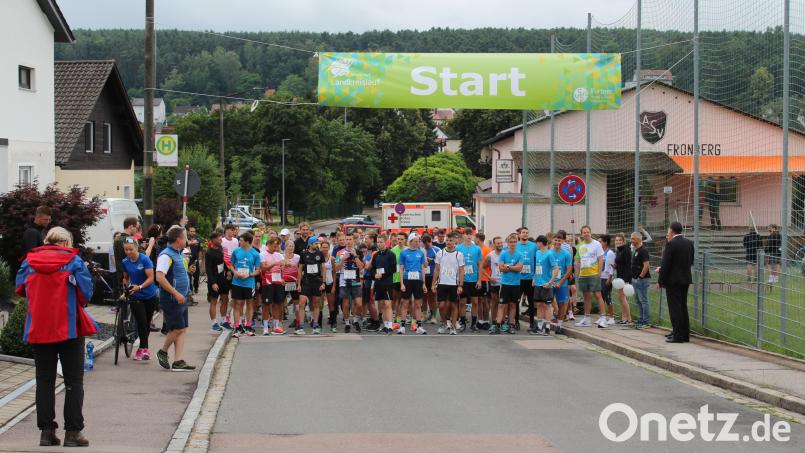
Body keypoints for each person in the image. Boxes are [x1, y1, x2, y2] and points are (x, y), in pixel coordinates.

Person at [16, 227, 96, 447]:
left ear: (47, 241)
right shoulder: (74, 261)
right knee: (73, 381)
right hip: (69, 328)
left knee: (44, 380)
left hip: (39, 328)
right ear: (66, 242)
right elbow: (86, 294)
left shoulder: (29, 261)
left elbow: (20, 289)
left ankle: (46, 431)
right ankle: (73, 433)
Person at [155, 226, 196, 372]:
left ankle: (178, 361)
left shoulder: (177, 253)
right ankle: (163, 351)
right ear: (178, 239)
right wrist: (176, 293)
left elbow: (177, 274)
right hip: (172, 299)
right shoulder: (166, 255)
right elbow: (159, 277)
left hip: (181, 298)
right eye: (185, 237)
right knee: (177, 328)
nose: (187, 240)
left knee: (182, 328)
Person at [121, 237, 158, 361]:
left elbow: (151, 278)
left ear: (136, 247)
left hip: (149, 294)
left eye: (130, 249)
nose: (128, 252)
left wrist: (140, 287)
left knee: (146, 323)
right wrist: (126, 288)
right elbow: (125, 277)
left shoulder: (145, 259)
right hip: (135, 295)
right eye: (126, 250)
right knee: (141, 322)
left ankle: (141, 348)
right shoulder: (125, 262)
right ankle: (145, 349)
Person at [658, 222, 694, 343]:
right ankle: (684, 334)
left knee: (675, 308)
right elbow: (691, 261)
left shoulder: (671, 244)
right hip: (685, 278)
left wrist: (660, 280)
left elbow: (666, 264)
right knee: (683, 306)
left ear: (672, 231)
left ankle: (678, 335)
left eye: (668, 231)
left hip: (673, 280)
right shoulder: (689, 243)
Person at [574, 225, 609, 328]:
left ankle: (603, 318)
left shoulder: (597, 244)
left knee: (598, 295)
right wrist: (577, 273)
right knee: (586, 297)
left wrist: (598, 274)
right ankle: (587, 318)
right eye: (584, 232)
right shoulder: (579, 246)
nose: (586, 234)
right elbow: (577, 261)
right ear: (581, 234)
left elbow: (600, 259)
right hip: (583, 275)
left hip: (594, 274)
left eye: (588, 232)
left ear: (590, 232)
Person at [228, 231, 261, 337]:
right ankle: (237, 327)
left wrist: (249, 275)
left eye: (241, 240)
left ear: (247, 241)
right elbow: (231, 265)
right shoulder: (236, 251)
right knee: (237, 304)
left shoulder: (255, 253)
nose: (239, 242)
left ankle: (248, 325)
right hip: (237, 282)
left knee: (250, 304)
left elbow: (258, 270)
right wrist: (235, 272)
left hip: (249, 283)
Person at [432, 232, 464, 335]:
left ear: (455, 242)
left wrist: (460, 285)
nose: (449, 242)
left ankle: (453, 327)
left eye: (451, 241)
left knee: (454, 305)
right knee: (441, 306)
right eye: (447, 240)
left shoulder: (459, 255)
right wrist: (433, 284)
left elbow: (461, 270)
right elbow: (436, 270)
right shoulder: (440, 253)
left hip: (454, 284)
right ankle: (444, 323)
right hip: (442, 284)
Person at [490, 233, 523, 335]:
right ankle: (498, 325)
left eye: (514, 242)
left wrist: (507, 267)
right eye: (511, 242)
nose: (513, 244)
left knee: (513, 305)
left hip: (516, 284)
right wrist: (513, 267)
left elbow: (519, 268)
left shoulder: (519, 254)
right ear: (507, 243)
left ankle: (511, 325)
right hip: (505, 284)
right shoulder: (503, 254)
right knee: (501, 305)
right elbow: (501, 268)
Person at [398, 233, 428, 334]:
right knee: (405, 303)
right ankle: (402, 326)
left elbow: (423, 268)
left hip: (418, 280)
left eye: (418, 241)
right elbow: (401, 269)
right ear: (410, 241)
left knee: (418, 304)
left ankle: (419, 326)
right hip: (407, 280)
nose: (417, 243)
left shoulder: (420, 253)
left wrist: (424, 283)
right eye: (415, 241)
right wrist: (401, 283)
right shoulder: (403, 253)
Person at [335, 235, 364, 333]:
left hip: (355, 281)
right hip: (344, 281)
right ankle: (347, 323)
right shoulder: (339, 253)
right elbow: (336, 269)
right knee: (346, 304)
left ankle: (355, 321)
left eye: (350, 239)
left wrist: (355, 256)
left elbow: (361, 267)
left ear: (354, 241)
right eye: (346, 239)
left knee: (359, 304)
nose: (348, 241)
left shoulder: (358, 252)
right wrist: (343, 259)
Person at [531, 235, 559, 336]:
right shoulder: (538, 253)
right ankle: (539, 327)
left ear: (540, 243)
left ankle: (547, 328)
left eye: (537, 242)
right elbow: (537, 267)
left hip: (546, 284)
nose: (536, 244)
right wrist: (534, 278)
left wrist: (550, 282)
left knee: (547, 305)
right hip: (538, 283)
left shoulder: (549, 254)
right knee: (539, 305)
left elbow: (555, 268)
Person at [298, 237, 326, 335]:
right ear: (310, 244)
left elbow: (323, 268)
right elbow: (300, 269)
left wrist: (323, 282)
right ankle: (301, 326)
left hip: (317, 282)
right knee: (302, 303)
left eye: (318, 243)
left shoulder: (320, 253)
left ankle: (315, 325)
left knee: (316, 303)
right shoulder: (304, 254)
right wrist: (298, 283)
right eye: (315, 243)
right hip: (306, 282)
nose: (317, 245)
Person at [370, 234, 397, 334]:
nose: (379, 244)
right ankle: (385, 325)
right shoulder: (376, 255)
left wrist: (383, 273)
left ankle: (390, 326)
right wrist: (375, 275)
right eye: (378, 242)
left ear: (386, 242)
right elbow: (372, 268)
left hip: (388, 283)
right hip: (378, 283)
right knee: (381, 304)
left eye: (381, 242)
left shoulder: (391, 254)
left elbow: (393, 269)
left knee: (387, 303)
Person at [456, 231, 483, 331]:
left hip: (473, 279)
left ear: (472, 236)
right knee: (462, 302)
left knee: (475, 302)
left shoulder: (477, 248)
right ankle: (462, 323)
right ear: (463, 235)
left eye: (470, 234)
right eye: (466, 234)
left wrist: (479, 280)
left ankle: (474, 324)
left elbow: (480, 265)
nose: (468, 236)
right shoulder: (459, 248)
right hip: (463, 280)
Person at [260, 237, 286, 335]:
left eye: (277, 245)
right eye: (274, 245)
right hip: (267, 283)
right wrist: (274, 264)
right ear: (269, 244)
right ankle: (266, 327)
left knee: (277, 304)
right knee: (266, 305)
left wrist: (284, 266)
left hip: (278, 282)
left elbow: (284, 265)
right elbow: (263, 269)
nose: (276, 246)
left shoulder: (279, 255)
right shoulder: (262, 254)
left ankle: (275, 327)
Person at [550, 234, 574, 335]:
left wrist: (560, 282)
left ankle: (559, 326)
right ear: (552, 241)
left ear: (562, 242)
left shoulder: (566, 254)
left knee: (562, 304)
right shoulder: (548, 253)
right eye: (556, 240)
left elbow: (569, 270)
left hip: (562, 283)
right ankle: (545, 325)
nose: (557, 242)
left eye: (559, 240)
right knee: (547, 303)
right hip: (550, 283)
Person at [205, 230, 227, 332]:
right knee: (214, 300)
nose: (221, 240)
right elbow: (208, 269)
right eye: (219, 238)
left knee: (225, 298)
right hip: (213, 279)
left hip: (222, 277)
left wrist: (228, 272)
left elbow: (223, 262)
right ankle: (214, 323)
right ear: (213, 240)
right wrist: (213, 282)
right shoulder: (209, 252)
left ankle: (223, 321)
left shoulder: (221, 248)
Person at [481, 236, 503, 331]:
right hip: (495, 282)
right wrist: (490, 277)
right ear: (494, 244)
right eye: (498, 243)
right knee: (494, 303)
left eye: (501, 243)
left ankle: (501, 322)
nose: (500, 245)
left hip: (505, 283)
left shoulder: (506, 254)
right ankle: (494, 321)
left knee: (504, 304)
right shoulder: (490, 255)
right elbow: (482, 268)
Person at [219, 224, 239, 329]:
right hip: (224, 273)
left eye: (234, 230)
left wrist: (234, 269)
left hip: (234, 271)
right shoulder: (222, 241)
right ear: (226, 230)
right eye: (232, 230)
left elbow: (236, 256)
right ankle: (223, 320)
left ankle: (232, 318)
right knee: (224, 298)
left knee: (235, 298)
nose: (233, 232)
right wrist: (227, 271)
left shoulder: (236, 241)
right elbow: (221, 257)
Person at [630, 232, 652, 329]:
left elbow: (646, 265)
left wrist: (640, 277)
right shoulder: (636, 250)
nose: (631, 240)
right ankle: (641, 318)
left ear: (638, 239)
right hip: (635, 279)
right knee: (638, 300)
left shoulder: (643, 251)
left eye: (633, 239)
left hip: (642, 280)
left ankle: (646, 321)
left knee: (643, 300)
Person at [474, 232, 493, 331]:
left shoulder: (487, 250)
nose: (473, 239)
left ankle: (486, 321)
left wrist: (489, 277)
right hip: (477, 279)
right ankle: (480, 320)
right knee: (479, 301)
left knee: (485, 301)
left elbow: (486, 266)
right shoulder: (476, 249)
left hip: (485, 279)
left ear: (478, 239)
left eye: (474, 238)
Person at [613, 233, 633, 325]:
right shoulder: (618, 250)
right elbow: (619, 264)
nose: (618, 242)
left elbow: (628, 266)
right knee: (621, 298)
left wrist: (626, 280)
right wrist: (614, 266)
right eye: (616, 240)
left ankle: (629, 319)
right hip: (619, 276)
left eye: (620, 240)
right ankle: (623, 318)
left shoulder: (626, 250)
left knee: (622, 298)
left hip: (624, 277)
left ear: (623, 241)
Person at [421, 234, 441, 324]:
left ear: (430, 241)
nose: (425, 245)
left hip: (433, 276)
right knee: (424, 296)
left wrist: (431, 260)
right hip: (424, 276)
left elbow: (440, 261)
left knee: (433, 296)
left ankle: (433, 316)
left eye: (427, 244)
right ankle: (424, 315)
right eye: (424, 243)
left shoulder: (437, 250)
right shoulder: (422, 250)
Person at [599, 234, 616, 325]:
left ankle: (612, 317)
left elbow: (612, 267)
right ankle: (602, 317)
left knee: (607, 297)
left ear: (605, 242)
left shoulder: (610, 253)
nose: (599, 243)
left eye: (600, 241)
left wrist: (610, 278)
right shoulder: (601, 252)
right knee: (601, 298)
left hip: (606, 278)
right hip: (600, 277)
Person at [187, 226, 201, 295]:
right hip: (187, 260)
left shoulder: (198, 240)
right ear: (188, 232)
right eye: (191, 231)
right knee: (189, 275)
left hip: (195, 260)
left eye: (194, 231)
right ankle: (190, 289)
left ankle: (196, 287)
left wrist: (200, 259)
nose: (193, 232)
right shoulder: (186, 240)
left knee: (196, 275)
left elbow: (200, 250)